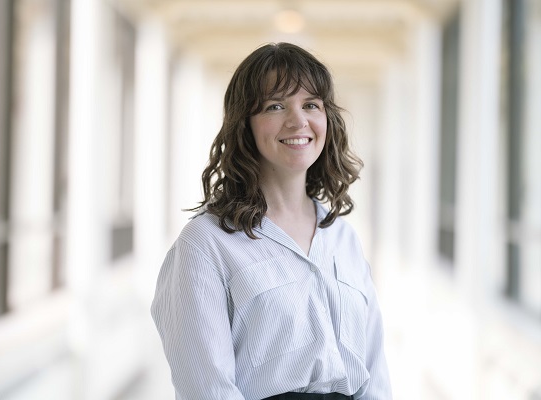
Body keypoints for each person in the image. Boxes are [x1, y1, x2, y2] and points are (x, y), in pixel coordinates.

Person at [151, 42, 392, 400]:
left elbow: (375, 378)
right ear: (244, 125)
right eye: (275, 106)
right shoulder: (205, 244)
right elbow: (207, 390)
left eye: (311, 104)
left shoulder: (343, 237)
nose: (298, 121)